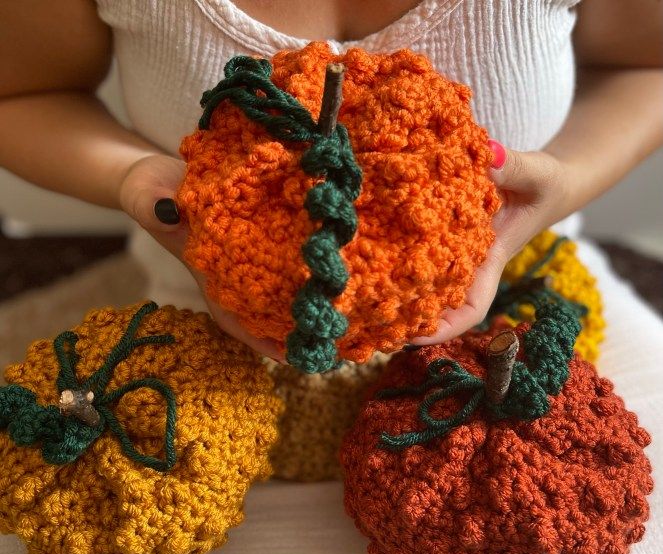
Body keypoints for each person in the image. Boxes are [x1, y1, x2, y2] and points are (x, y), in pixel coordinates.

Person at [0, 1, 661, 360]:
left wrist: (561, 182)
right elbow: (22, 94)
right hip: (190, 328)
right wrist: (136, 178)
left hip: (540, 312)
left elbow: (645, 66)